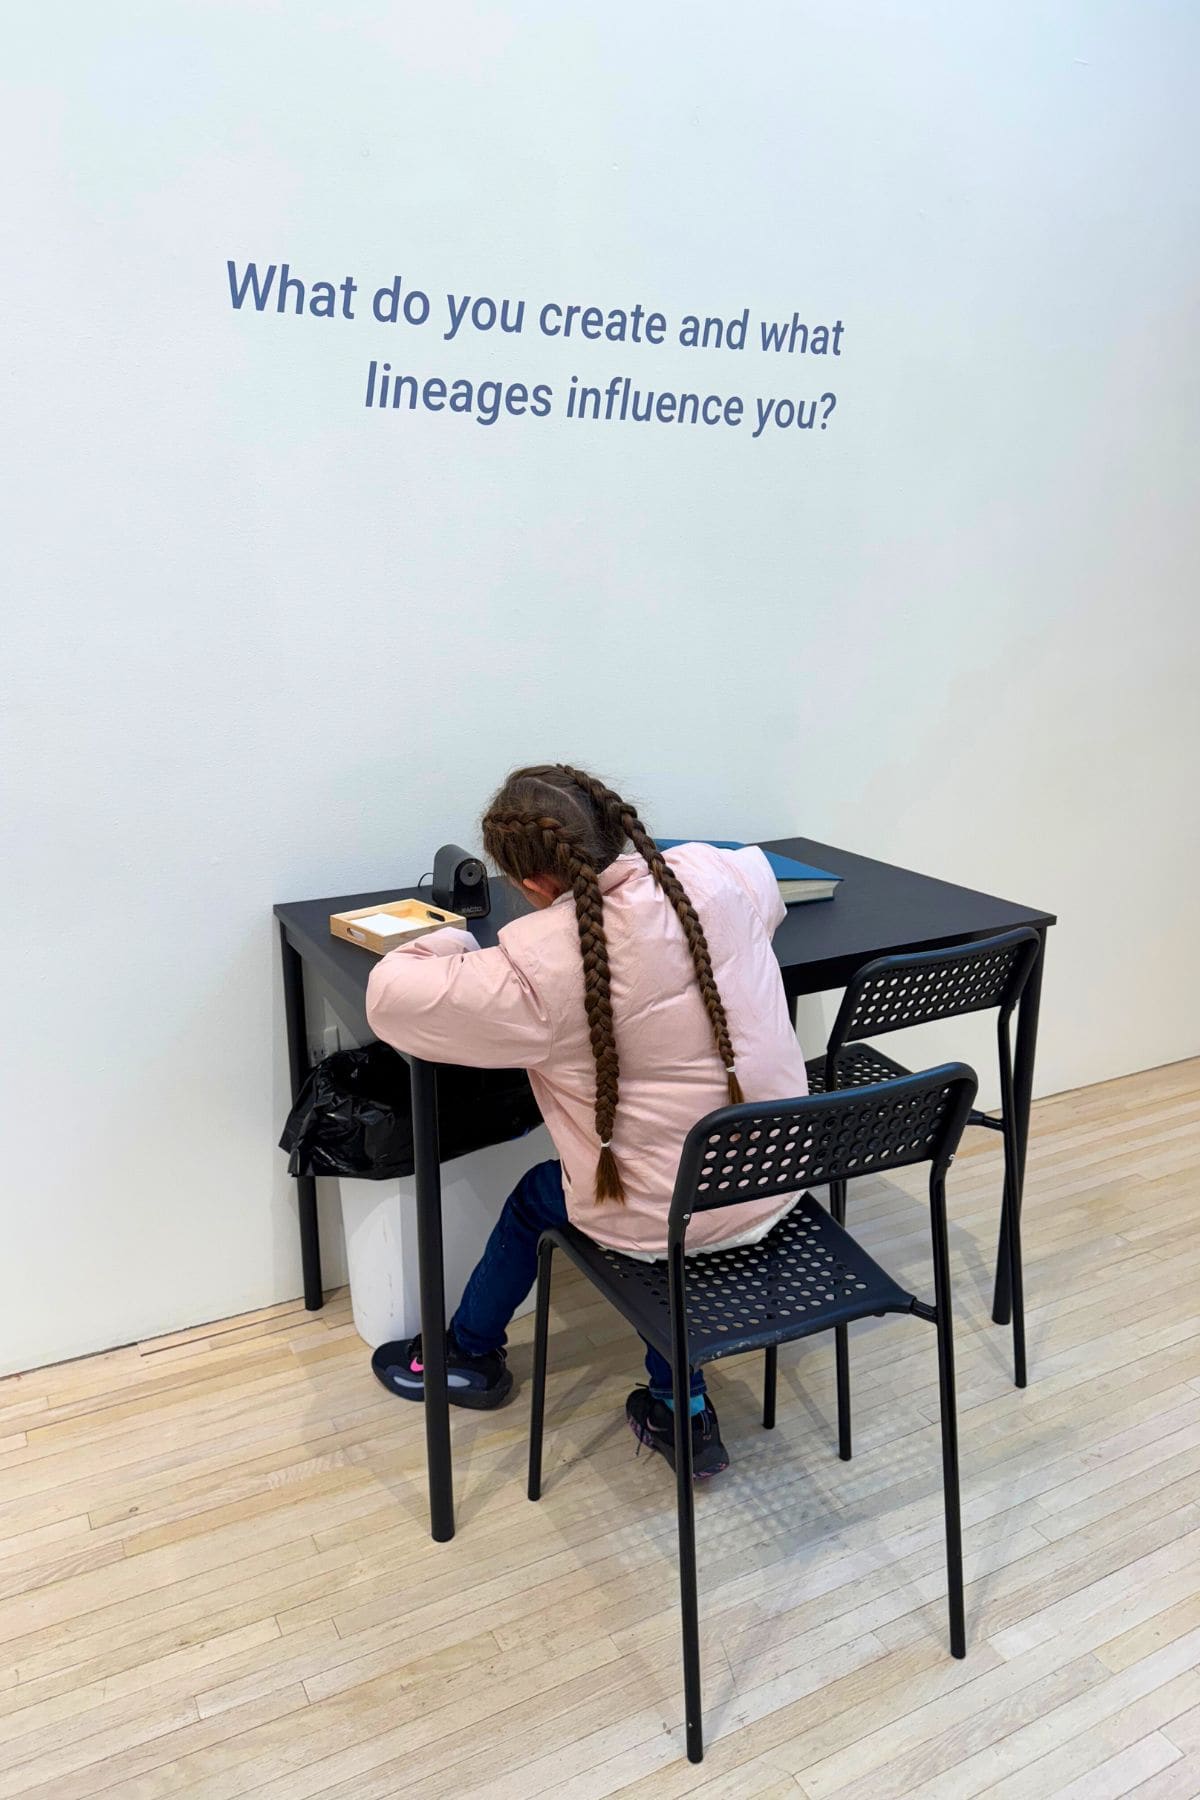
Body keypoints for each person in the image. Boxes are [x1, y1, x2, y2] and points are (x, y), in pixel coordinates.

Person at [365, 764, 810, 1477]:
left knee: (546, 1199)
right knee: (667, 1180)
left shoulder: (538, 967)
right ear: (616, 830)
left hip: (671, 1217)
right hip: (780, 1175)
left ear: (530, 884)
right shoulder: (710, 875)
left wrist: (456, 939)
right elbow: (763, 884)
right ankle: (680, 1405)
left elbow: (391, 999)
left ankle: (468, 1356)